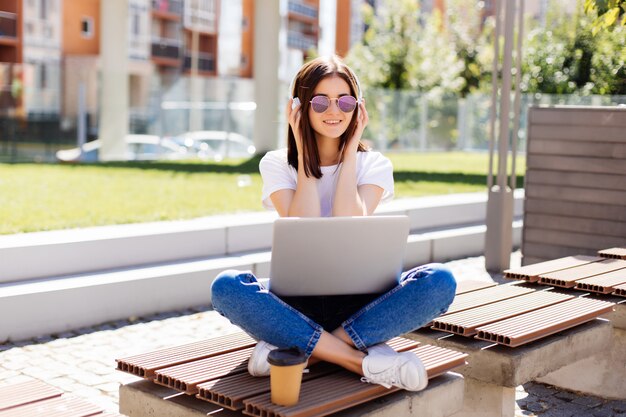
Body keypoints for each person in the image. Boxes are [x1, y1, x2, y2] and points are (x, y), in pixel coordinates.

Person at [211, 55, 456, 392]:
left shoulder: (374, 165)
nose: (334, 110)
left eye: (345, 100)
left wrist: (351, 149)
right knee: (226, 287)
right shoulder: (277, 164)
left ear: (358, 107)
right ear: (299, 106)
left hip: (358, 300)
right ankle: (359, 358)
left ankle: (298, 352)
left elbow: (348, 221)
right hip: (297, 302)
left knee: (439, 281)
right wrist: (303, 150)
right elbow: (304, 223)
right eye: (321, 101)